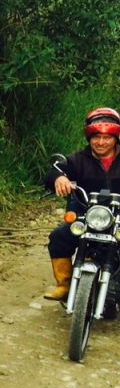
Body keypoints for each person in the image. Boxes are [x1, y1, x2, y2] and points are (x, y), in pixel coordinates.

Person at [42, 107, 120, 300]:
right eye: (96, 137)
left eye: (107, 138)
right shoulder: (77, 160)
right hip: (86, 217)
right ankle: (64, 285)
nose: (101, 142)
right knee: (59, 236)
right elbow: (54, 171)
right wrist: (59, 178)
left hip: (118, 219)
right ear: (89, 137)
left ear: (116, 138)